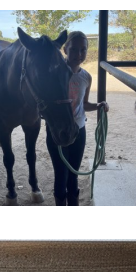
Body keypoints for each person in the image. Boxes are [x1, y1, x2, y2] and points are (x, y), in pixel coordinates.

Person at [46, 31, 109, 206]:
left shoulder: (86, 77)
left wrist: (99, 106)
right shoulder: (53, 75)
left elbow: (84, 104)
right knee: (61, 174)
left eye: (83, 50)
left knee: (73, 173)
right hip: (57, 132)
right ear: (65, 49)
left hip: (78, 131)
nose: (79, 54)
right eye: (74, 49)